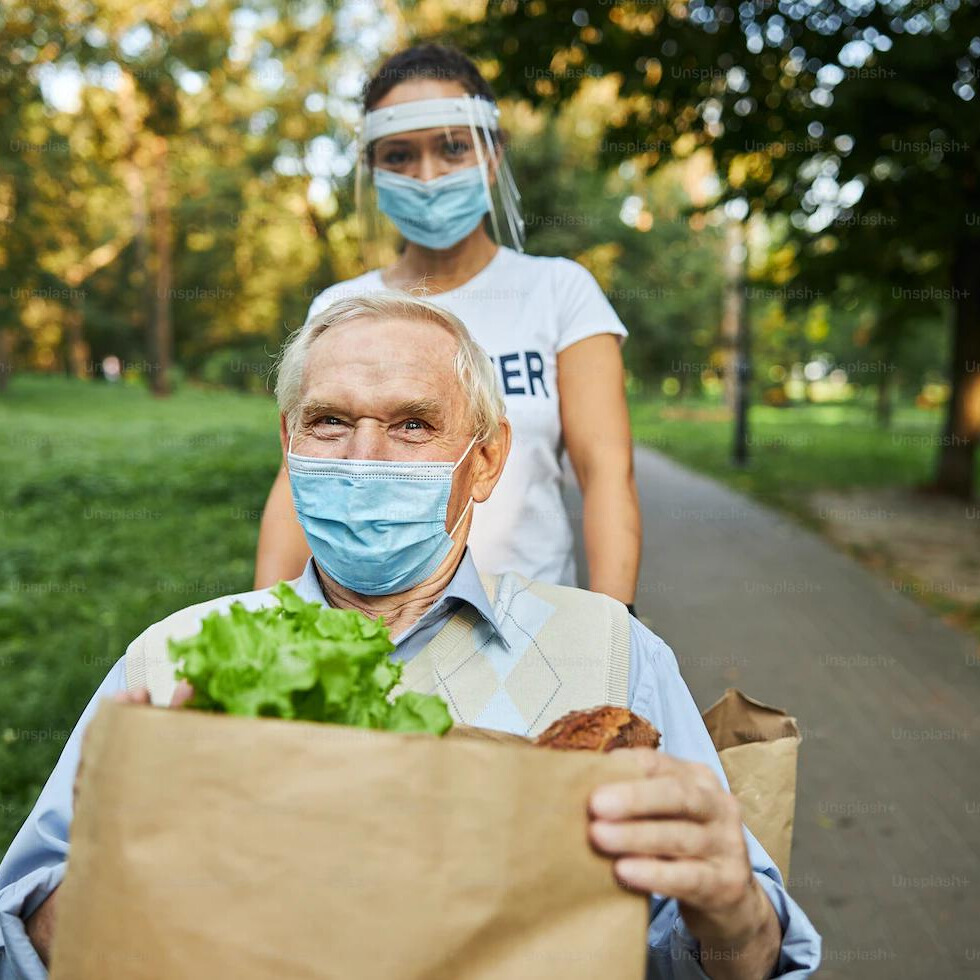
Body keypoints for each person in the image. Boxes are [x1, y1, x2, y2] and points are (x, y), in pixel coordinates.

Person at [0, 294, 820, 978]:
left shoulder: (608, 653)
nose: (364, 458)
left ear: (488, 461)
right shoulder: (173, 659)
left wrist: (731, 912)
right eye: (328, 422)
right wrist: (136, 853)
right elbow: (21, 938)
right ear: (289, 444)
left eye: (413, 426)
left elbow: (731, 957)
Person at [254, 43, 642, 610]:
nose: (428, 177)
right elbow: (297, 480)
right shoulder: (342, 308)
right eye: (400, 156)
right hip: (365, 627)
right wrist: (265, 622)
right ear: (373, 169)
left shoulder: (560, 292)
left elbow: (606, 472)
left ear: (491, 155)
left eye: (453, 148)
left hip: (531, 629)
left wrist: (614, 632)